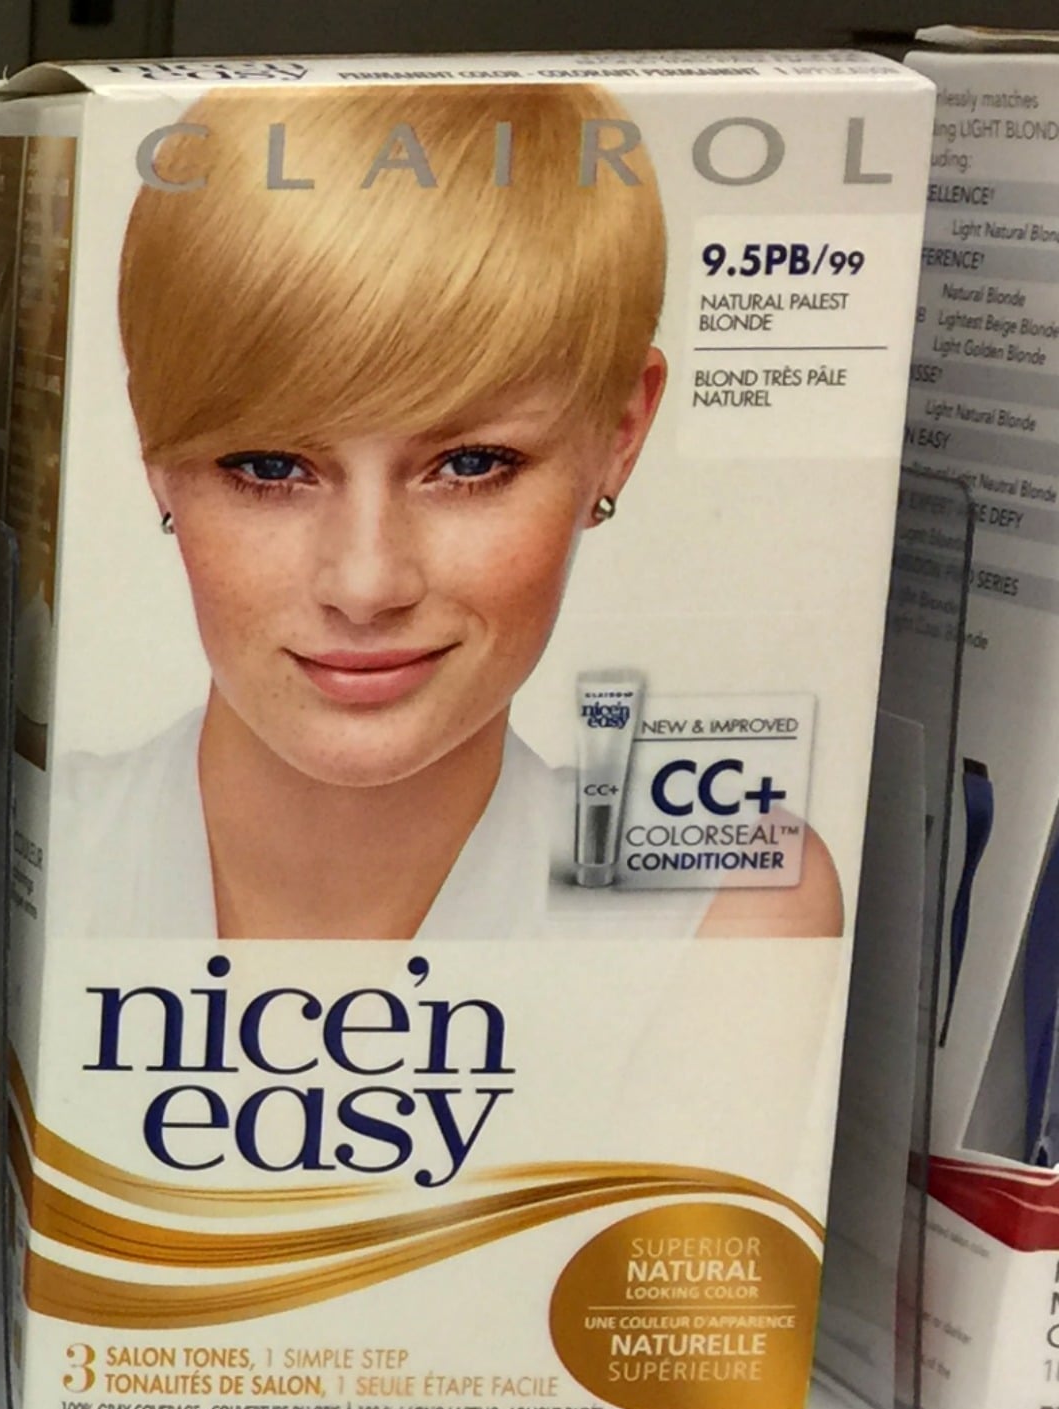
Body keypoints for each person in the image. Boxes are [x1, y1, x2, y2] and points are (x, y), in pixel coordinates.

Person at [63, 82, 841, 941]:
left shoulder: (732, 902)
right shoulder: (15, 855)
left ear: (620, 435)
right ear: (154, 445)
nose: (366, 585)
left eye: (470, 465)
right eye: (269, 467)